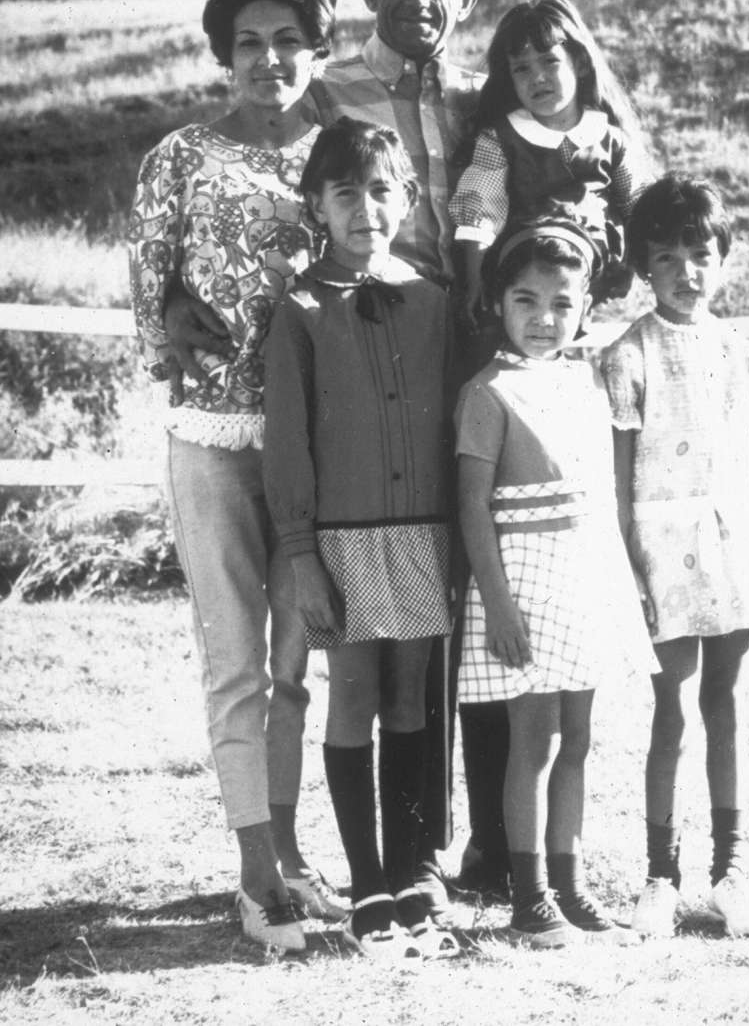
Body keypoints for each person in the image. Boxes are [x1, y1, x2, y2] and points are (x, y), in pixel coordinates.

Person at [158, 0, 506, 900]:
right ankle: (387, 859)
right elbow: (249, 176)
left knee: (456, 618)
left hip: (460, 361)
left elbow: (577, 180)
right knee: (369, 640)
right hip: (346, 371)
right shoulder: (329, 92)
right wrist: (184, 287)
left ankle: (462, 850)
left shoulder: (492, 99)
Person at [127, 0, 345, 953]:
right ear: (225, 53)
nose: (269, 59)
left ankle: (296, 858)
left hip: (317, 443)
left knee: (300, 660)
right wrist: (172, 312)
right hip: (214, 439)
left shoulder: (344, 153)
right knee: (236, 662)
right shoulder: (177, 157)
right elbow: (149, 301)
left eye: (288, 41)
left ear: (316, 49)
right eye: (249, 43)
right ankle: (255, 879)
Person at [262, 119, 459, 962]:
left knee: (411, 696)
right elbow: (287, 441)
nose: (365, 209)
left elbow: (456, 421)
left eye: (382, 191)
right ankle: (368, 877)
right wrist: (301, 551)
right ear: (317, 204)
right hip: (339, 538)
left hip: (423, 532)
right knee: (352, 697)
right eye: (346, 193)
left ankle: (416, 868)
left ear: (406, 200)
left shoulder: (433, 300)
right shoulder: (302, 311)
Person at [456, 218, 655, 948]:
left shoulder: (584, 378)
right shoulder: (487, 391)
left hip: (583, 579)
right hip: (525, 586)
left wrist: (619, 580)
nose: (544, 318)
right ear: (499, 303)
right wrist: (499, 605)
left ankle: (570, 884)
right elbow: (472, 506)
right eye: (525, 300)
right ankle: (529, 894)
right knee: (531, 742)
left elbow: (602, 493)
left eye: (561, 303)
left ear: (584, 307)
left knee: (579, 737)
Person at [601, 176, 749, 940]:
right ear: (645, 265)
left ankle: (732, 872)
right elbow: (616, 480)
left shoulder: (741, 355)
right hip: (661, 553)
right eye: (667, 257)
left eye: (700, 254)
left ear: (722, 258)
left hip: (731, 544)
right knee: (671, 710)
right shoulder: (626, 355)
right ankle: (659, 876)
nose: (686, 271)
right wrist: (628, 574)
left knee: (726, 705)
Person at [449, 0, 650, 318]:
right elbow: (480, 214)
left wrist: (634, 265)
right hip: (529, 292)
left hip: (598, 290)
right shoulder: (501, 139)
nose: (537, 77)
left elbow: (639, 208)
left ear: (580, 62)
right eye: (522, 69)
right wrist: (475, 283)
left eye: (549, 61)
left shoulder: (609, 139)